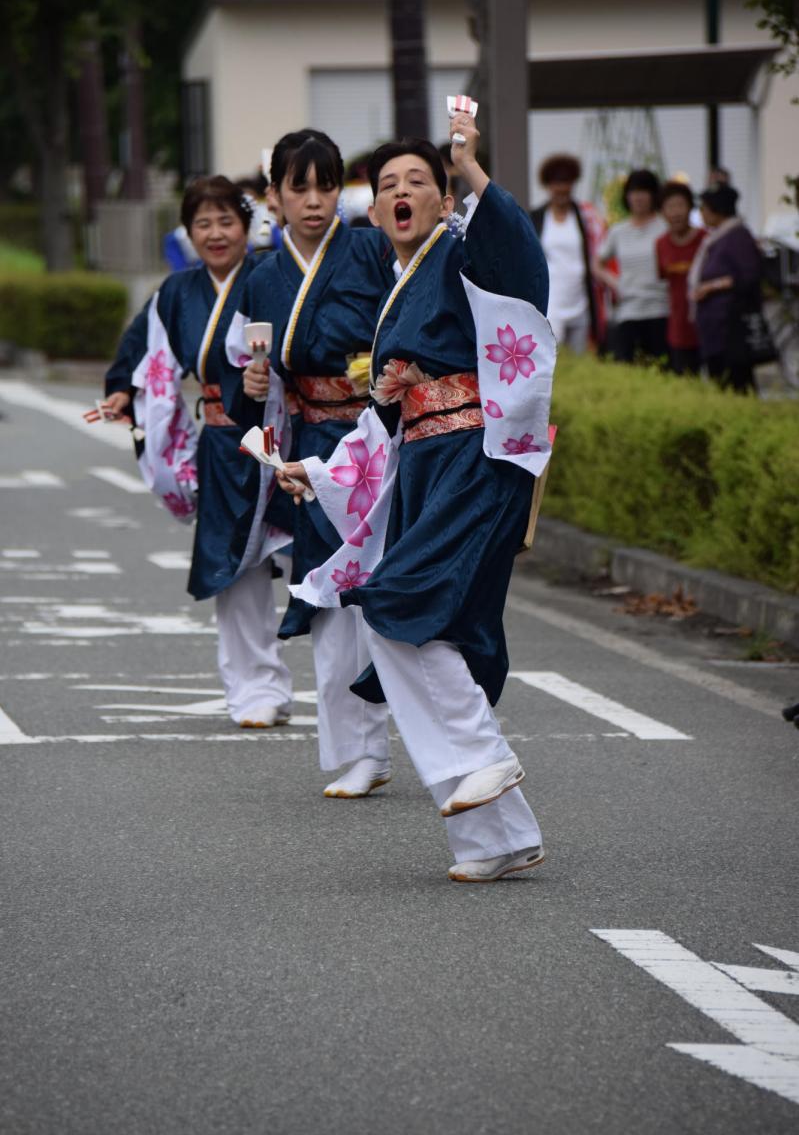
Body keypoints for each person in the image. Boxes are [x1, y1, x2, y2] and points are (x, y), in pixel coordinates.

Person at [276, 114, 556, 884]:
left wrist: (471, 169)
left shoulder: (465, 254)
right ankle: (496, 838)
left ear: (441, 202)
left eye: (419, 183)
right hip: (426, 463)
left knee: (399, 604)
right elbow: (383, 426)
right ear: (375, 212)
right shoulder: (397, 285)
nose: (402, 193)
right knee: (407, 623)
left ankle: (479, 757)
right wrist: (319, 472)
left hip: (475, 456)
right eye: (389, 185)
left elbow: (521, 268)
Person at [226, 130, 396, 800]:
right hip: (313, 451)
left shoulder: (370, 248)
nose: (314, 200)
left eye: (326, 185)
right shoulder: (262, 276)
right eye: (298, 187)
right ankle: (359, 749)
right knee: (330, 598)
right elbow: (249, 370)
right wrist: (251, 388)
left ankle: (424, 735)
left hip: (380, 439)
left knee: (389, 594)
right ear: (273, 196)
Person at [103, 175, 292, 727]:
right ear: (188, 232)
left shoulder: (269, 273)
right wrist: (121, 387)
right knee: (235, 570)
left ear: (246, 224)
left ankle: (349, 693)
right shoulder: (178, 292)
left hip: (286, 435)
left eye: (225, 221)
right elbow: (140, 348)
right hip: (220, 443)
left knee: (317, 559)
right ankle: (256, 690)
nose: (215, 234)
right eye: (202, 224)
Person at [688, 183, 763, 393]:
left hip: (731, 327)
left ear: (717, 209)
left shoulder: (737, 236)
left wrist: (711, 286)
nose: (701, 213)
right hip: (714, 327)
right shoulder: (716, 237)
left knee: (735, 384)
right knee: (719, 381)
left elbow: (748, 276)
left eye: (703, 208)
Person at [530, 153, 606, 352]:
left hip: (581, 300)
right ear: (548, 185)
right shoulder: (537, 218)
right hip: (552, 300)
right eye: (556, 182)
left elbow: (600, 251)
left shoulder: (586, 216)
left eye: (567, 182)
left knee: (580, 361)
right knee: (553, 357)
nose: (562, 188)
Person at [593, 168, 668, 363]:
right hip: (628, 312)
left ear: (653, 195)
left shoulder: (665, 227)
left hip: (661, 310)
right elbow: (597, 263)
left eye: (644, 191)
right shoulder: (618, 231)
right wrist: (616, 283)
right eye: (633, 192)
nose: (638, 197)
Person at [656, 181, 705, 375]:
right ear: (662, 212)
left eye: (680, 205)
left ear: (690, 208)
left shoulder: (705, 239)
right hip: (677, 327)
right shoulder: (661, 244)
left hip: (705, 324)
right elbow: (662, 279)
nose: (676, 212)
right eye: (670, 207)